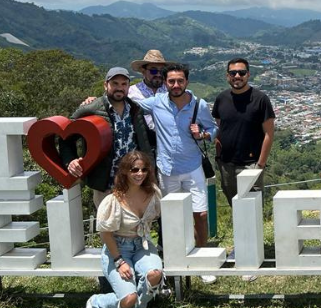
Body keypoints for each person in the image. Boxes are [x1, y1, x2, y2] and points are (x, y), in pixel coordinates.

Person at [135, 63, 218, 285]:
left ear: (186, 82)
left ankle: (202, 260)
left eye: (180, 80)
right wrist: (94, 101)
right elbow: (127, 103)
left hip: (192, 168)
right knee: (171, 218)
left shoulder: (198, 105)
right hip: (167, 170)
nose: (176, 85)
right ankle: (174, 261)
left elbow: (213, 129)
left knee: (200, 215)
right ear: (165, 82)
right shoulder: (156, 103)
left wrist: (202, 134)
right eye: (171, 81)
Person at [60, 67, 154, 208]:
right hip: (106, 183)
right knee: (109, 226)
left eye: (124, 84)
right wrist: (71, 160)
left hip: (133, 181)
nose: (119, 88)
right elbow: (66, 136)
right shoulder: (91, 109)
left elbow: (145, 140)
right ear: (106, 85)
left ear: (129, 86)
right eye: (115, 83)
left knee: (133, 225)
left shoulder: (135, 109)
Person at [86, 151, 164, 308]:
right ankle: (96, 302)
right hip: (117, 249)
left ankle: (137, 305)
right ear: (125, 171)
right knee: (129, 298)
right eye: (134, 169)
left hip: (143, 245)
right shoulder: (114, 200)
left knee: (155, 275)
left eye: (144, 170)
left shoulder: (153, 193)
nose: (139, 174)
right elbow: (106, 234)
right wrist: (119, 262)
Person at [212, 58, 276, 206]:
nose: (237, 76)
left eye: (242, 72)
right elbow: (220, 128)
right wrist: (219, 158)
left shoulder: (260, 99)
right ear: (227, 76)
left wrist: (260, 165)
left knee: (252, 210)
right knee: (234, 206)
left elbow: (269, 134)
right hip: (226, 165)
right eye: (233, 73)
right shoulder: (221, 98)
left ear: (248, 75)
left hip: (250, 165)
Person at [129, 50, 172, 134]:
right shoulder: (131, 92)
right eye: (153, 71)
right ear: (143, 71)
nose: (158, 74)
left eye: (162, 71)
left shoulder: (171, 91)